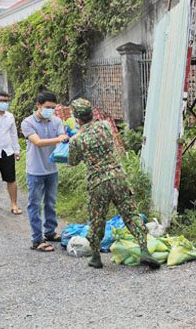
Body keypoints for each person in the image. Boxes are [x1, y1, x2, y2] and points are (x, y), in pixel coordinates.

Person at [67, 98, 160, 269]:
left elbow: (72, 161)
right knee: (131, 214)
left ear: (77, 118)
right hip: (118, 177)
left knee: (97, 219)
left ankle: (95, 257)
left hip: (98, 182)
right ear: (91, 113)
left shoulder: (77, 140)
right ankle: (144, 250)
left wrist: (73, 139)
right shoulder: (105, 126)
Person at [20, 92, 68, 253]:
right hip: (35, 170)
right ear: (38, 105)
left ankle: (50, 232)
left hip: (52, 169)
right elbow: (38, 142)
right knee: (34, 204)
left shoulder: (56, 120)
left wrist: (64, 137)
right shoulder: (27, 123)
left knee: (50, 203)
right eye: (48, 107)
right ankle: (37, 240)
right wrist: (59, 139)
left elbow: (62, 134)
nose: (51, 111)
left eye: (53, 108)